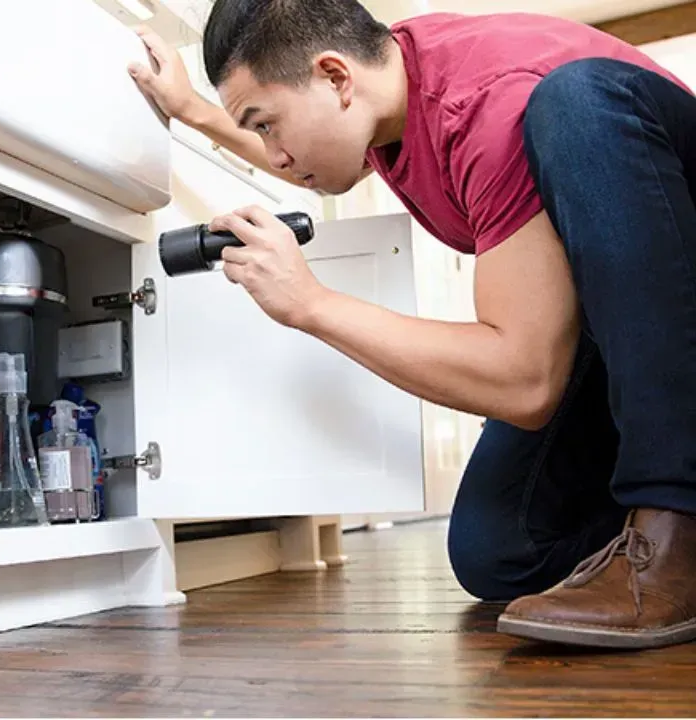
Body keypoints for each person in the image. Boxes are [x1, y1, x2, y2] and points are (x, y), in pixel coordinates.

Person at [128, 0, 696, 650]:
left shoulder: (487, 103)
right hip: (628, 332)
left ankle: (678, 523)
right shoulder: (392, 96)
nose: (275, 155)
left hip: (680, 288)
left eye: (267, 124)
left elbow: (526, 383)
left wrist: (312, 304)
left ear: (337, 78)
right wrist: (192, 111)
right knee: (498, 548)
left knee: (577, 100)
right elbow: (311, 148)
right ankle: (649, 527)